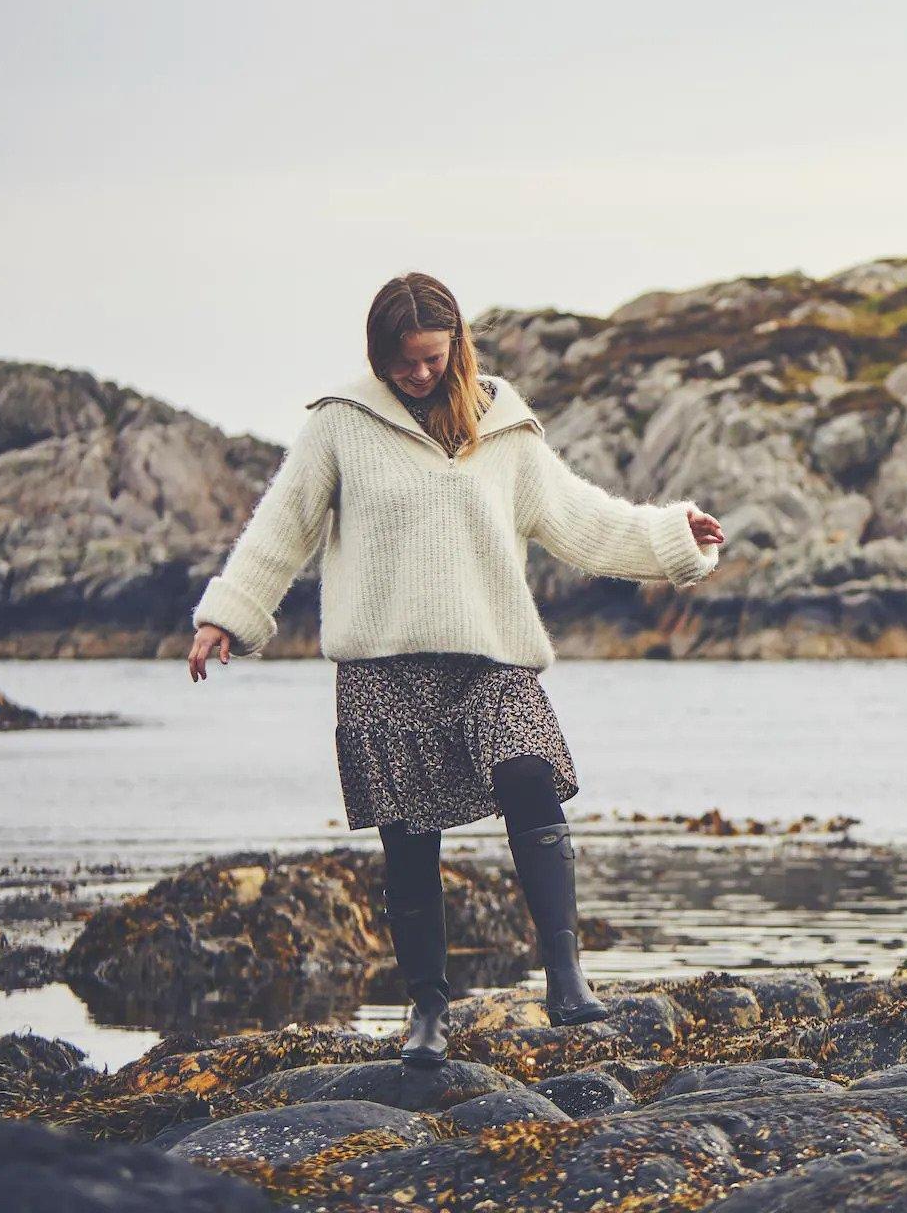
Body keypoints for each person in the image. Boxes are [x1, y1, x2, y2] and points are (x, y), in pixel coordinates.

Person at [185, 271, 725, 1066]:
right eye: (402, 362)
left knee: (529, 773)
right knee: (410, 844)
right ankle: (427, 1013)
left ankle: (567, 976)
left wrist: (675, 537)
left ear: (457, 345)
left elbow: (578, 520)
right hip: (384, 665)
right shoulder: (341, 423)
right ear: (378, 356)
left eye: (432, 358)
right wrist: (225, 615)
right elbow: (284, 527)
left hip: (490, 656)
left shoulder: (504, 426)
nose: (418, 374)